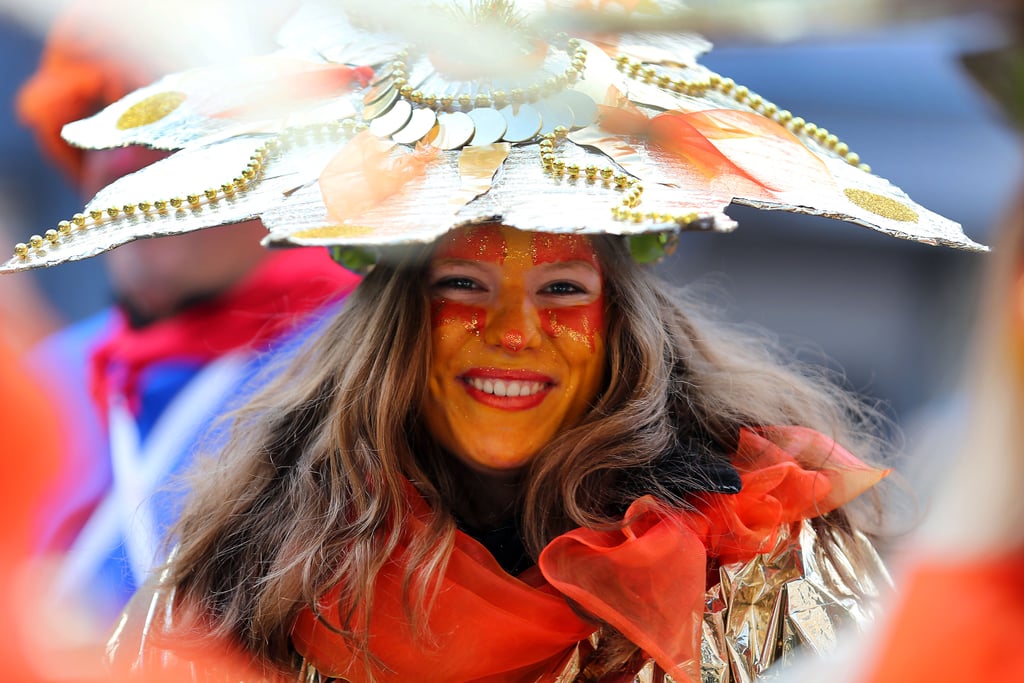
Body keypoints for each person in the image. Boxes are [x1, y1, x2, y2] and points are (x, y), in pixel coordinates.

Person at [0, 2, 984, 681]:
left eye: (561, 289)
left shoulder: (771, 553)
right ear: (393, 326)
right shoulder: (258, 559)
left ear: (620, 322)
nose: (514, 331)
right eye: (465, 286)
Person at [13, 0, 361, 628]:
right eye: (99, 122)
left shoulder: (375, 359)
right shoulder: (40, 380)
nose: (130, 158)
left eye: (181, 136)